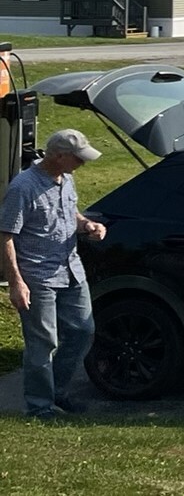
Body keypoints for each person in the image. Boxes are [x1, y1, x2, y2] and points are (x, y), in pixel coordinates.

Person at [2, 129, 107, 420]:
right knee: (43, 342)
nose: (82, 164)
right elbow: (6, 235)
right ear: (58, 156)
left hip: (70, 270)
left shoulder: (67, 179)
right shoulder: (23, 187)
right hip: (37, 276)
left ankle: (57, 391)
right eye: (77, 158)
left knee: (82, 331)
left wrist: (87, 226)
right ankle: (39, 406)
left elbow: (69, 213)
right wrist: (16, 283)